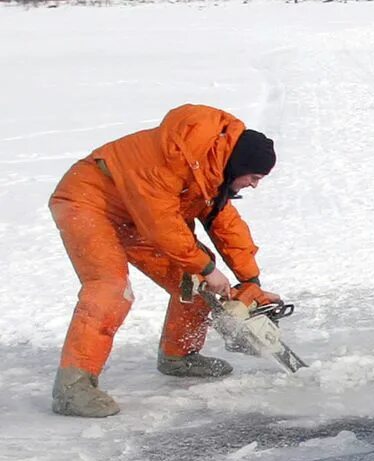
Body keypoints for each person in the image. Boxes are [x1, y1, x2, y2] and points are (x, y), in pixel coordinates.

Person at [48, 104, 283, 418]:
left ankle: (179, 355)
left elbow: (226, 225)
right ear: (239, 165)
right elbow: (161, 225)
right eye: (254, 177)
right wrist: (208, 268)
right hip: (88, 203)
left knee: (196, 283)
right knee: (110, 288)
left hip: (138, 218)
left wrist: (250, 282)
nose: (254, 185)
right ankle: (72, 388)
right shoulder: (168, 161)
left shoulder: (210, 170)